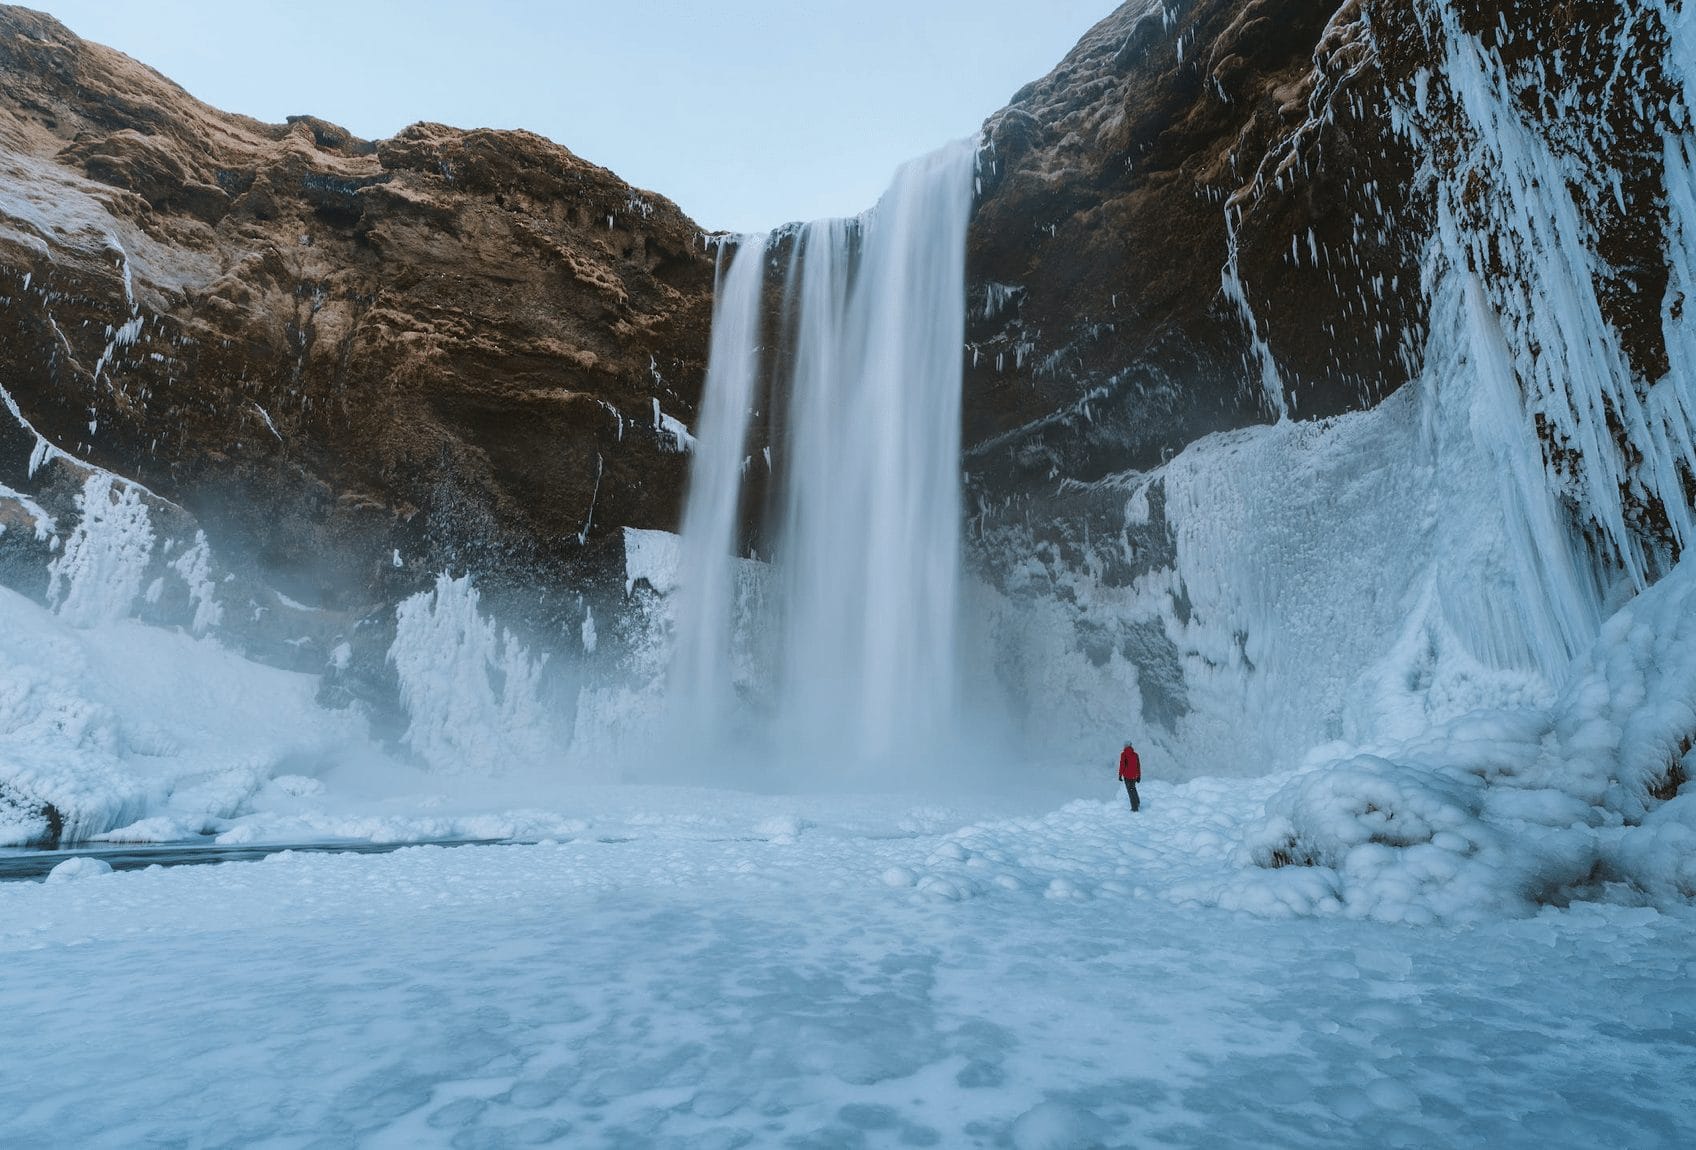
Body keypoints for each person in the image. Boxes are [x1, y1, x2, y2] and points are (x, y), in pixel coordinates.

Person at [1118, 743, 1141, 812]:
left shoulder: (1123, 754)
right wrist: (1139, 776)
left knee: (1130, 791)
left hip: (1127, 777)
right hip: (1134, 776)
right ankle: (1137, 802)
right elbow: (1138, 766)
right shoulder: (1136, 755)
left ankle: (1134, 808)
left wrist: (1120, 775)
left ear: (1125, 746)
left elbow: (1122, 765)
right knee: (1133, 789)